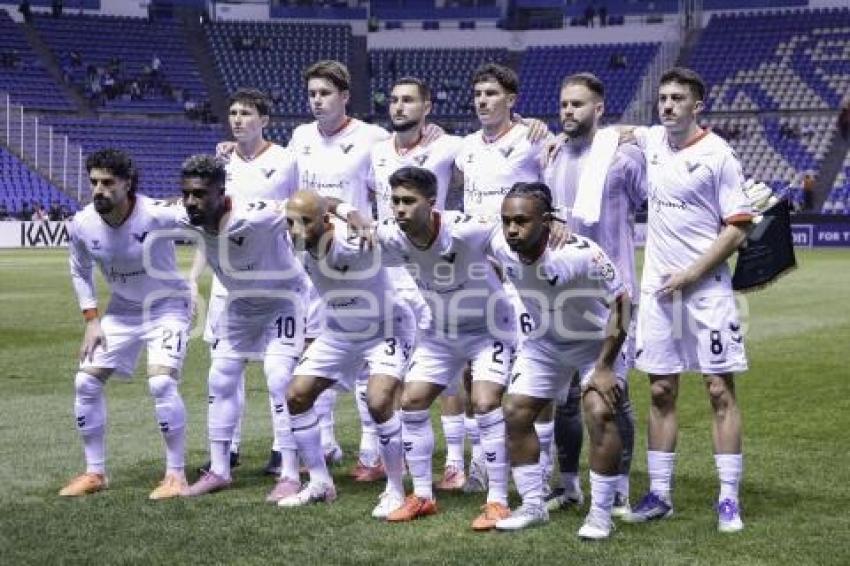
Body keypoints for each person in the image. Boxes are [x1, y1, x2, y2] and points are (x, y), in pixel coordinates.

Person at [621, 67, 752, 533]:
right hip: (660, 292)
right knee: (660, 390)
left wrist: (692, 273)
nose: (668, 105)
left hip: (706, 289)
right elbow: (616, 130)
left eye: (678, 98)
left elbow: (737, 225)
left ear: (698, 105)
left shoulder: (719, 155)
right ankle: (660, 494)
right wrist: (548, 133)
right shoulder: (653, 140)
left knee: (719, 390)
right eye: (663, 97)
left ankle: (729, 499)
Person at [370, 166, 515, 523]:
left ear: (431, 203)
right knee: (412, 400)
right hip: (441, 333)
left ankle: (497, 499)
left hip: (489, 328)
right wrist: (347, 214)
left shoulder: (463, 228)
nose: (400, 209)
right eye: (395, 202)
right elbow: (354, 229)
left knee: (484, 402)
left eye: (408, 201)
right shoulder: (392, 235)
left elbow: (507, 228)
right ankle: (421, 495)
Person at [489, 182, 631, 539]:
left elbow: (623, 303)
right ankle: (533, 505)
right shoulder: (499, 243)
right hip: (544, 343)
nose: (512, 230)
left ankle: (601, 515)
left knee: (600, 412)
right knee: (515, 413)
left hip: (595, 345)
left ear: (547, 221)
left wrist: (604, 367)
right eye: (506, 221)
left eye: (521, 221)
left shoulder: (580, 253)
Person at [542, 72, 646, 518]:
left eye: (578, 105)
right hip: (564, 292)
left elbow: (654, 202)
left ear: (599, 109)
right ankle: (568, 485)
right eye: (564, 104)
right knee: (565, 397)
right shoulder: (550, 155)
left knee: (611, 393)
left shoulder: (624, 158)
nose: (568, 112)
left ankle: (619, 486)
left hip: (613, 292)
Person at [61, 148, 191, 500]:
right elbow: (79, 269)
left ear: (127, 183)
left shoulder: (158, 214)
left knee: (162, 383)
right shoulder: (82, 223)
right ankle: (95, 472)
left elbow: (207, 217)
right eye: (94, 183)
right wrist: (91, 319)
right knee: (84, 383)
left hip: (167, 306)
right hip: (122, 310)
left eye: (107, 183)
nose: (99, 190)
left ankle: (176, 475)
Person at [177, 155, 308, 500]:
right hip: (240, 305)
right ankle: (219, 470)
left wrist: (349, 215)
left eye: (200, 194)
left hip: (284, 301)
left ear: (222, 192)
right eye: (187, 193)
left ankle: (291, 474)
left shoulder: (257, 214)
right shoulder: (185, 215)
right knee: (219, 378)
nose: (192, 201)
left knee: (280, 378)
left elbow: (305, 205)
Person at [278, 191, 416, 517]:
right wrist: (344, 207)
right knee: (296, 396)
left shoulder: (359, 244)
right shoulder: (298, 245)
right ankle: (319, 483)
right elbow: (319, 198)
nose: (295, 230)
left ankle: (395, 488)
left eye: (305, 222)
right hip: (339, 331)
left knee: (379, 401)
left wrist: (357, 216)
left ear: (326, 222)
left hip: (386, 329)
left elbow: (397, 233)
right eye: (290, 223)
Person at [454, 62, 550, 516]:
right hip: (477, 272)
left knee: (533, 366)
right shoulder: (465, 147)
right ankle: (480, 462)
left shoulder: (532, 140)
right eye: (477, 93)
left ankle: (542, 462)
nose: (482, 100)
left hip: (518, 269)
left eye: (491, 93)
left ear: (511, 99)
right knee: (476, 370)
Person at [192, 88, 300, 489]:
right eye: (233, 113)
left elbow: (299, 211)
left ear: (264, 119)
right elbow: (207, 227)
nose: (238, 120)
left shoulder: (286, 160)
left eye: (247, 113)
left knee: (278, 372)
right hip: (228, 284)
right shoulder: (220, 163)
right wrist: (194, 278)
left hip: (274, 274)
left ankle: (280, 452)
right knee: (223, 371)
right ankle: (226, 452)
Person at [367, 77, 469, 490]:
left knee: (446, 370)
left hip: (431, 272)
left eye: (408, 100)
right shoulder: (374, 150)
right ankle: (401, 458)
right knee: (390, 370)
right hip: (387, 274)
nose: (399, 107)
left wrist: (534, 130)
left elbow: (493, 152)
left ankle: (456, 460)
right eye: (393, 100)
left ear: (427, 106)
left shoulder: (450, 146)